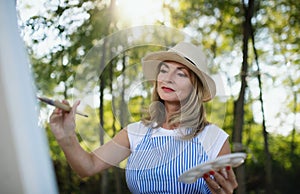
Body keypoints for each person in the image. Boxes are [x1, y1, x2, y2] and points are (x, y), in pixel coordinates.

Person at [49, 42, 238, 194]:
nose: (168, 78)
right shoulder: (135, 132)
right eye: (164, 70)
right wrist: (66, 137)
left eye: (181, 73)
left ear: (194, 87)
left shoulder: (214, 137)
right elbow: (87, 167)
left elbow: (223, 188)